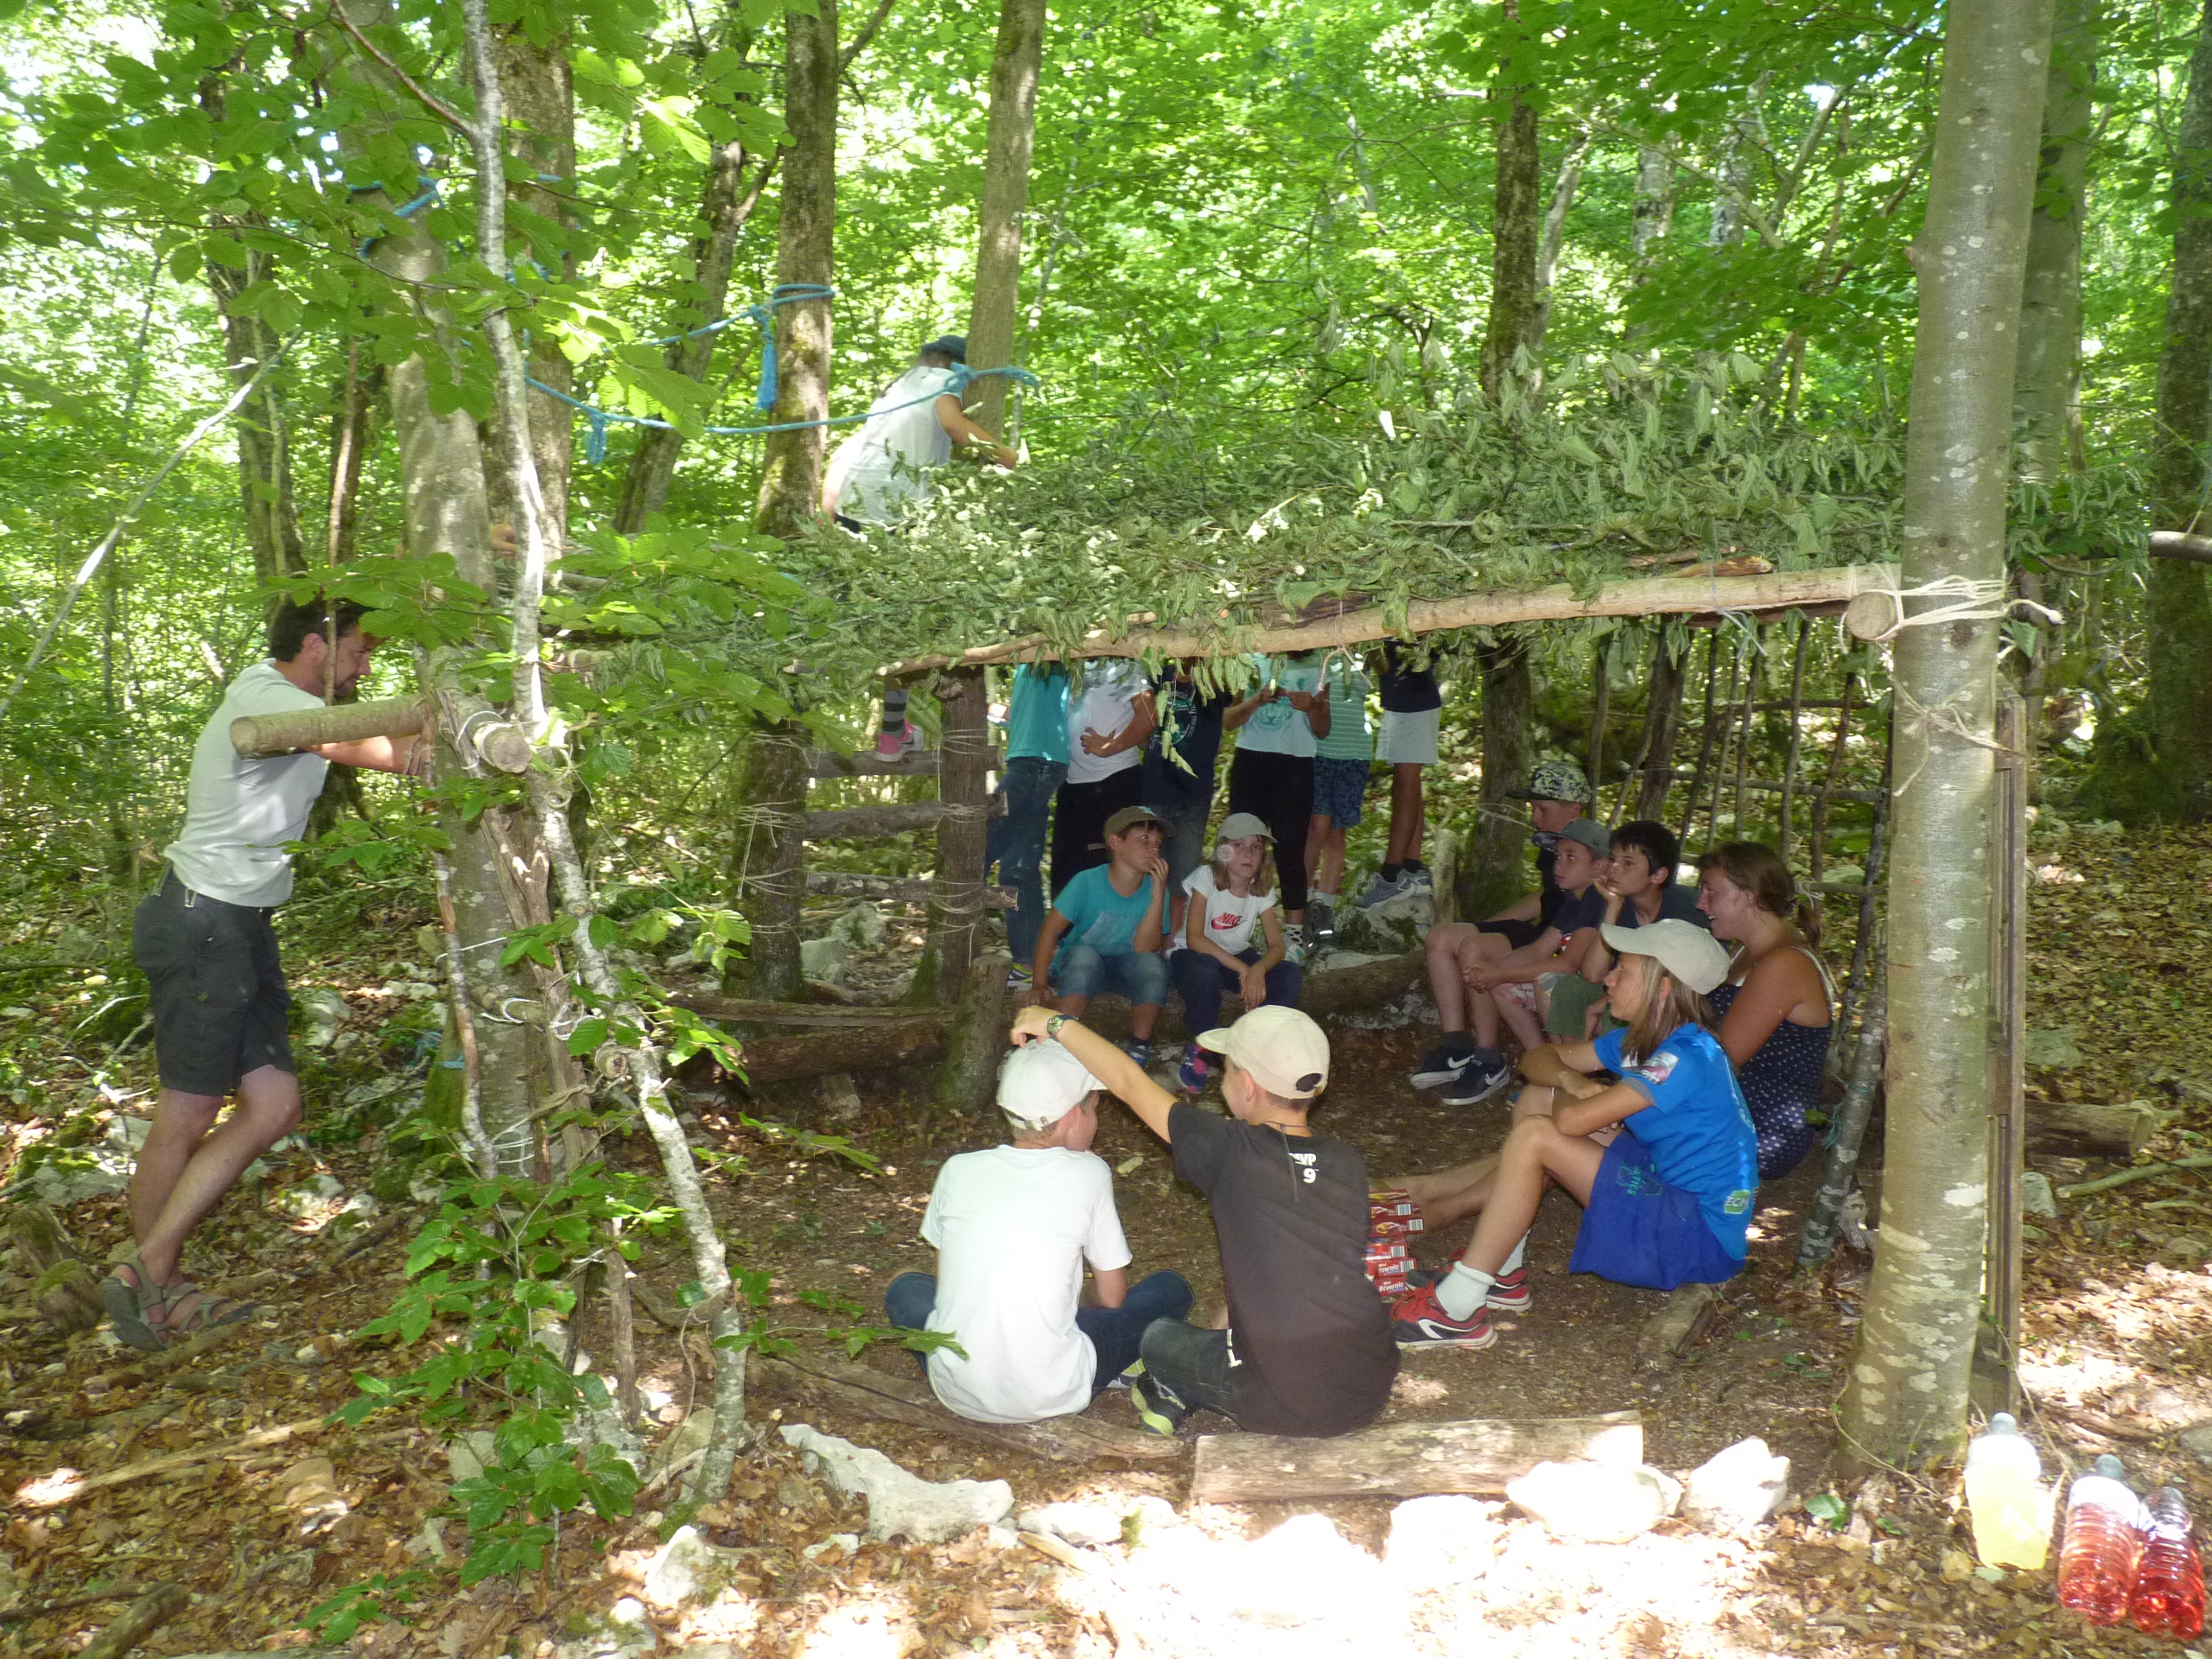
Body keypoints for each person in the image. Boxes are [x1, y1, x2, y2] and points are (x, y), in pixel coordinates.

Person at [105, 596, 426, 1350]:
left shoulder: (283, 697)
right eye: (358, 650)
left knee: (274, 1105)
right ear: (317, 645)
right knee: (186, 1110)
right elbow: (397, 753)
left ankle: (147, 1271)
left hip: (235, 922)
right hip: (201, 921)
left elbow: (395, 739)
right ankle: (153, 1285)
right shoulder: (270, 701)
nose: (366, 664)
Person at [1009, 1002, 1398, 1437]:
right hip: (1369, 1379)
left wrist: (1056, 1023)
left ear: (1247, 1086)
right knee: (1225, 1336)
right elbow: (1292, 1267)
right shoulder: (1347, 1162)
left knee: (1158, 1337)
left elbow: (1127, 1081)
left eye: (1227, 1068)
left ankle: (1174, 1388)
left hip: (1292, 1403)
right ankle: (1190, 1380)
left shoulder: (1231, 1150)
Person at [1389, 920, 1757, 1350]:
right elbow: (1538, 1058)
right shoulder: (1645, 1041)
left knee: (1538, 1135)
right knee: (1537, 1099)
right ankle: (1503, 1274)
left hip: (1697, 1238)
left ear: (1663, 988)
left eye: (1624, 969)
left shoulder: (1682, 1058)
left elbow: (1568, 1125)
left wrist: (1569, 1087)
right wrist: (1572, 1081)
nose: (1607, 978)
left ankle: (1457, 1309)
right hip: (1670, 1191)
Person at [885, 1039, 1193, 1424]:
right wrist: (1074, 1301)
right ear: (1070, 1117)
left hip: (956, 1387)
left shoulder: (957, 1168)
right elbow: (1112, 1299)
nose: (1097, 1119)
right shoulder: (1089, 1174)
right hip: (1053, 1389)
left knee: (905, 1286)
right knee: (1171, 1289)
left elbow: (946, 1284)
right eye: (1094, 1108)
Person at [1408, 759, 1592, 1099]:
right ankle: (1455, 1046)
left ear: (1573, 808)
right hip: (1545, 929)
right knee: (1441, 936)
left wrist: (1486, 934)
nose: (1534, 816)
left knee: (1475, 949)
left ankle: (1488, 1057)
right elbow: (1546, 897)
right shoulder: (1551, 844)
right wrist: (1495, 923)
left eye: (1542, 808)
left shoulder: (1585, 853)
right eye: (1532, 808)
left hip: (1554, 938)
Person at [1695, 842, 1835, 1180]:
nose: (1701, 903)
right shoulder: (1742, 950)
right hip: (1726, 1105)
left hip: (1761, 1127)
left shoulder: (1784, 963)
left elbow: (1721, 1060)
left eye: (1711, 892)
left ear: (1749, 895)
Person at [821, 334, 1017, 527]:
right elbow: (952, 423)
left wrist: (827, 509)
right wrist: (1005, 455)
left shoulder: (897, 388)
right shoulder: (942, 377)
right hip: (892, 505)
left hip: (853, 498)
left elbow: (842, 454)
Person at [1031, 804, 1172, 1066]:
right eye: (1143, 839)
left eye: (1157, 842)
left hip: (1125, 967)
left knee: (1153, 965)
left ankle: (1139, 1045)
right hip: (1080, 965)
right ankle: (1060, 1041)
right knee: (1084, 956)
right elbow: (1050, 931)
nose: (1153, 848)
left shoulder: (1157, 890)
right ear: (1115, 843)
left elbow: (1144, 949)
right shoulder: (1087, 882)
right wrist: (1038, 983)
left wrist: (1157, 894)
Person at [1172, 814, 1301, 1094]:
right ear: (1224, 851)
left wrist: (1257, 970)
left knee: (1289, 974)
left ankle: (1258, 1046)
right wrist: (1244, 970)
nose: (1248, 854)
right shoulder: (1205, 878)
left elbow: (1278, 946)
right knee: (1205, 970)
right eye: (1239, 845)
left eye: (1256, 847)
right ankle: (1203, 1047)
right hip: (1193, 955)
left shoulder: (1260, 890)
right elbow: (1195, 938)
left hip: (1236, 956)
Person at [1549, 819, 1707, 1041]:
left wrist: (1601, 1004)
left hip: (1674, 1000)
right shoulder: (1619, 902)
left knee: (1620, 1008)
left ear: (1658, 875)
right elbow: (1592, 974)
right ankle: (1572, 1065)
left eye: (1628, 863)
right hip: (1625, 989)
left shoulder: (1685, 909)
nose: (1613, 868)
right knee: (1572, 989)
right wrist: (1613, 906)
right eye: (1613, 859)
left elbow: (1678, 985)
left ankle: (1624, 1073)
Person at [1224, 651, 1330, 960]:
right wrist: (1256, 700)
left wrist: (1310, 706)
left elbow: (1323, 728)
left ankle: (1294, 937)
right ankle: (1232, 928)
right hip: (1251, 760)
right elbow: (1229, 721)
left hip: (1296, 764)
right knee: (1242, 845)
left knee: (1289, 848)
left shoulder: (1320, 662)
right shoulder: (1251, 658)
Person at [988, 664, 1070, 990]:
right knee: (1018, 868)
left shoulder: (1049, 653)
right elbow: (1026, 714)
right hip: (1031, 758)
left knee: (980, 846)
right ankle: (1030, 962)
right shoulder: (1026, 665)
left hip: (1038, 760)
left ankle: (955, 943)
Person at [1051, 659, 1156, 898]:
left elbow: (1149, 715)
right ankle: (1067, 935)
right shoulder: (1068, 664)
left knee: (1114, 869)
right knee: (1067, 873)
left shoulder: (1124, 664)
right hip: (1073, 785)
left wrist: (1110, 746)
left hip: (1114, 781)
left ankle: (1120, 933)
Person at [1141, 659, 1234, 912]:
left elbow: (1233, 690)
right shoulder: (1157, 675)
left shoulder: (1211, 682)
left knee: (1182, 882)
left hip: (1194, 797)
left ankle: (1172, 945)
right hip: (1154, 791)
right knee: (1146, 874)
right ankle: (1144, 940)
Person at [1360, 643, 1444, 906]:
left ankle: (1391, 875)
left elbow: (1434, 650)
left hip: (1414, 703)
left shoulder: (1412, 622)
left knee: (1404, 786)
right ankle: (1412, 866)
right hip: (1402, 704)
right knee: (1407, 783)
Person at [1305, 651, 1373, 943]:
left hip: (1355, 751)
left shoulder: (1364, 652)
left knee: (1337, 833)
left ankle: (1324, 914)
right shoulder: (1318, 652)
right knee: (1317, 825)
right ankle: (1302, 906)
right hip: (1319, 751)